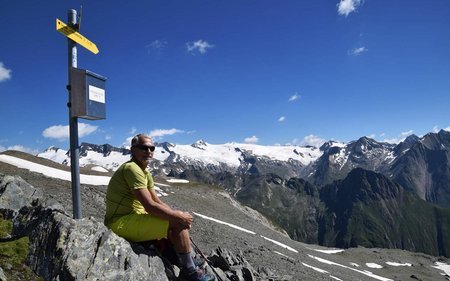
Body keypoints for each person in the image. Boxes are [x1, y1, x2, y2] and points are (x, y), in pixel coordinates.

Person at [104, 134, 213, 281]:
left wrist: (176, 213)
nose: (149, 151)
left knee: (175, 218)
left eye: (151, 148)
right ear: (133, 150)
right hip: (120, 222)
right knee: (176, 222)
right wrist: (178, 218)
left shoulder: (144, 171)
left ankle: (185, 260)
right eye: (144, 148)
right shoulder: (132, 169)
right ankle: (190, 272)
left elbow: (157, 200)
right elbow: (149, 206)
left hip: (132, 218)